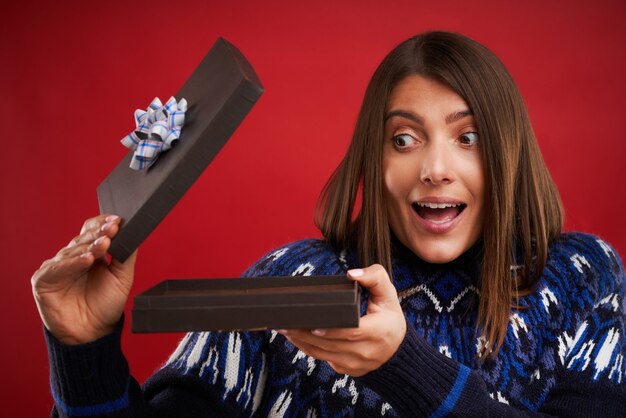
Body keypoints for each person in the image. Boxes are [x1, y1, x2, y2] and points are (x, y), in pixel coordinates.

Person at [32, 31, 625, 417]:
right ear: (374, 157)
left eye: (467, 137)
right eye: (404, 139)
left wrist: (402, 364)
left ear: (509, 153)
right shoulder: (288, 282)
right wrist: (83, 349)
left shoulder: (581, 280)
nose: (436, 169)